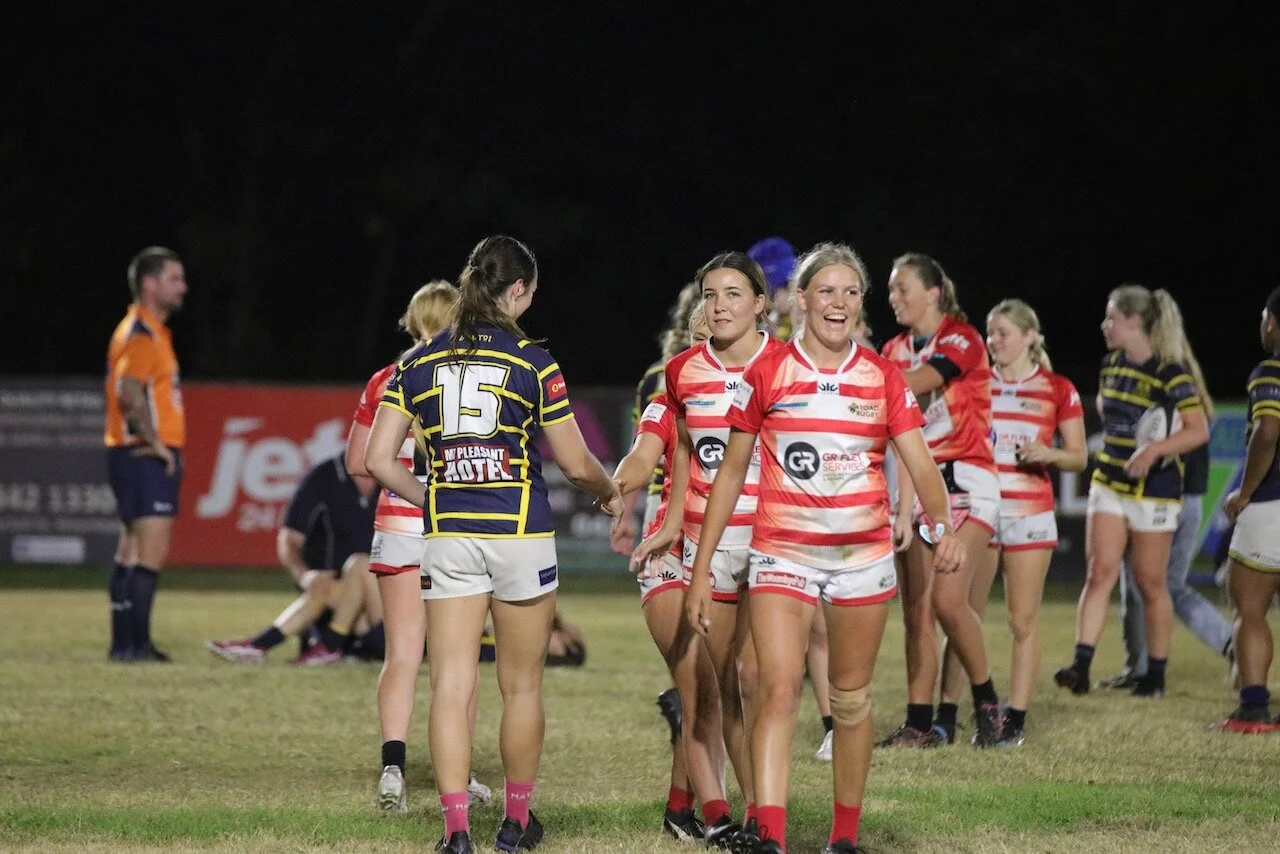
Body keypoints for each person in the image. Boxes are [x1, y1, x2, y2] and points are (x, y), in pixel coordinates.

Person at [684, 242, 966, 853]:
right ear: (803, 300)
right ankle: (772, 836)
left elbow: (921, 466)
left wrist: (945, 528)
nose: (838, 302)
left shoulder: (884, 378)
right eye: (827, 290)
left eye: (851, 292)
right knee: (778, 687)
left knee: (850, 698)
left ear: (860, 306)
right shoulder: (768, 372)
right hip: (781, 553)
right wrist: (703, 568)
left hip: (860, 561)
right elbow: (731, 475)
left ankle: (843, 837)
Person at [364, 235, 623, 854]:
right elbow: (574, 462)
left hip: (449, 535)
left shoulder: (417, 363)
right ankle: (514, 823)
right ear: (516, 291)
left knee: (450, 683)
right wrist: (610, 490)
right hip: (519, 535)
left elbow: (377, 458)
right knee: (522, 686)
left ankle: (456, 832)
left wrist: (430, 494)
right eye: (529, 292)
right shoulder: (534, 361)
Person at [633, 250, 786, 848]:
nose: (717, 307)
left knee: (751, 684)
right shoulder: (677, 375)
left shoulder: (785, 366)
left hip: (774, 545)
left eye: (731, 294)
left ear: (760, 303)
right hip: (701, 547)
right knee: (715, 687)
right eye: (710, 296)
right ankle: (737, 819)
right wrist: (618, 489)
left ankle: (717, 811)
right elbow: (664, 457)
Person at [344, 280, 492, 812]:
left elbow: (358, 463)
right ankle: (463, 773)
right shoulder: (471, 373)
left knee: (402, 656)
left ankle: (392, 770)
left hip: (399, 527)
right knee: (459, 663)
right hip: (456, 528)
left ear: (410, 322)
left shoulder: (386, 377)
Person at [938, 300, 1086, 747]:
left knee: (1023, 622)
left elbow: (1078, 456)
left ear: (1030, 337)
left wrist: (1048, 454)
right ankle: (947, 716)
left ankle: (1014, 721)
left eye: (1002, 332)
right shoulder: (976, 383)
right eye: (989, 332)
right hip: (981, 511)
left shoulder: (1057, 388)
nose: (993, 341)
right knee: (965, 613)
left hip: (1029, 515)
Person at [1054, 285, 1210, 698]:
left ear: (1135, 322)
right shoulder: (1111, 365)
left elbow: (1199, 430)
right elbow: (1108, 411)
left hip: (1156, 490)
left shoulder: (1170, 372)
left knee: (1149, 582)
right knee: (1099, 572)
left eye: (1111, 319)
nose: (1105, 326)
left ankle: (1155, 675)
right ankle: (1081, 666)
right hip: (1110, 481)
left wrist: (1155, 447)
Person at [878, 253, 1004, 748]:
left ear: (933, 293)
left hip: (970, 484)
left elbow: (918, 385)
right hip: (920, 489)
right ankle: (920, 723)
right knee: (917, 612)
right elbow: (902, 437)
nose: (895, 297)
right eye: (890, 289)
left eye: (903, 287)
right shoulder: (892, 347)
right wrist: (901, 508)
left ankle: (988, 707)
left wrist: (862, 382)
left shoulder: (962, 338)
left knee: (951, 603)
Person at [612, 308, 727, 841]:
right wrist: (613, 485)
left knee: (726, 689)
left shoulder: (765, 398)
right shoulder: (669, 400)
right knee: (698, 688)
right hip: (669, 549)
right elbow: (641, 457)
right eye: (699, 337)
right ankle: (719, 818)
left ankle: (682, 808)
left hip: (731, 550)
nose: (708, 346)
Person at [206, 453, 381, 664]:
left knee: (361, 563)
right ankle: (262, 645)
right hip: (362, 612)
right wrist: (305, 575)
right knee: (328, 584)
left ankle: (327, 644)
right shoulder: (324, 477)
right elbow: (289, 538)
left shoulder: (400, 476)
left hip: (399, 612)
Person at [104, 246, 188, 662]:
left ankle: (125, 645)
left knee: (131, 549)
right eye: (175, 279)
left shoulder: (148, 330)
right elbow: (128, 391)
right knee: (149, 552)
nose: (183, 287)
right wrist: (155, 443)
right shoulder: (140, 333)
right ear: (150, 284)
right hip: (143, 453)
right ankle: (135, 647)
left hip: (128, 452)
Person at [1100, 440, 1234, 689]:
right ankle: (1230, 643)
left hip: (1159, 497)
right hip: (1190, 499)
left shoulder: (1169, 403)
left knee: (1141, 583)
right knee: (1169, 586)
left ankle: (1139, 669)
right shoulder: (1195, 406)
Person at [1216, 286, 1280, 732]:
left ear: (1273, 322)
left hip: (1271, 504)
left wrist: (1245, 490)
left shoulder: (1269, 371)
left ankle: (1253, 709)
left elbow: (1268, 431)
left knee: (1250, 606)